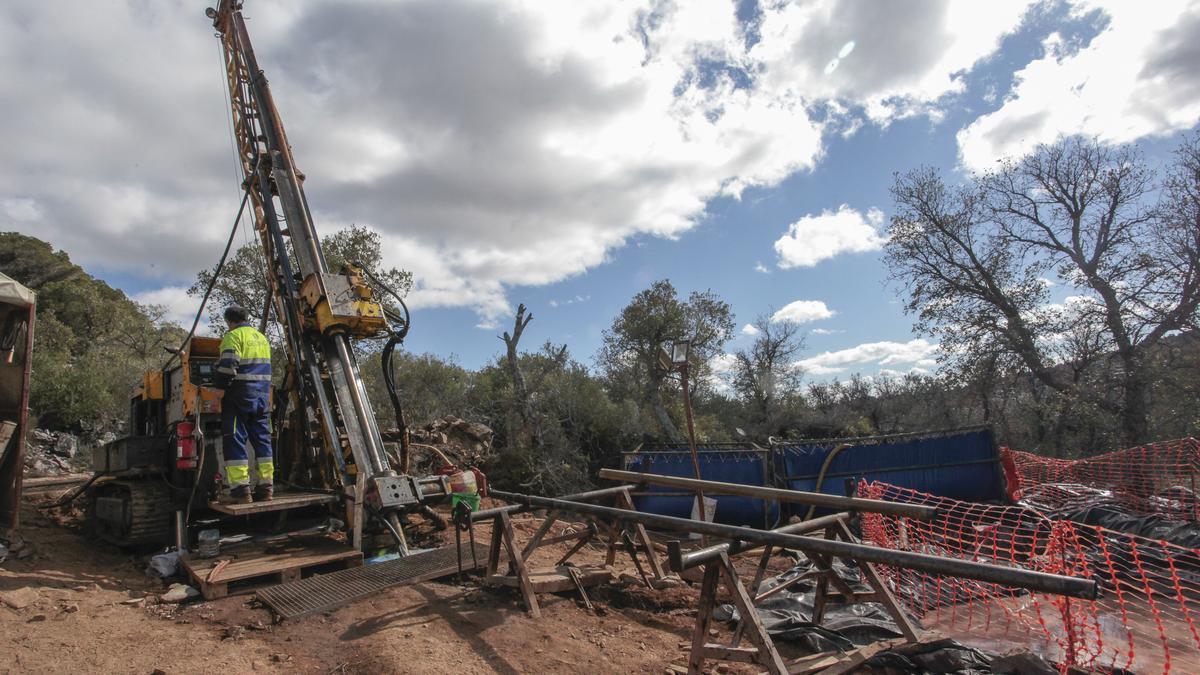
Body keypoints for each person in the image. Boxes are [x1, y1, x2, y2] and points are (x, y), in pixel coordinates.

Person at [213, 305, 274, 503]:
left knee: (235, 438)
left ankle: (240, 491)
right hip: (262, 397)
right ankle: (266, 488)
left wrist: (218, 393)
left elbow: (228, 368)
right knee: (262, 440)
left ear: (229, 322)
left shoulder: (233, 336)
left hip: (238, 396)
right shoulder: (261, 338)